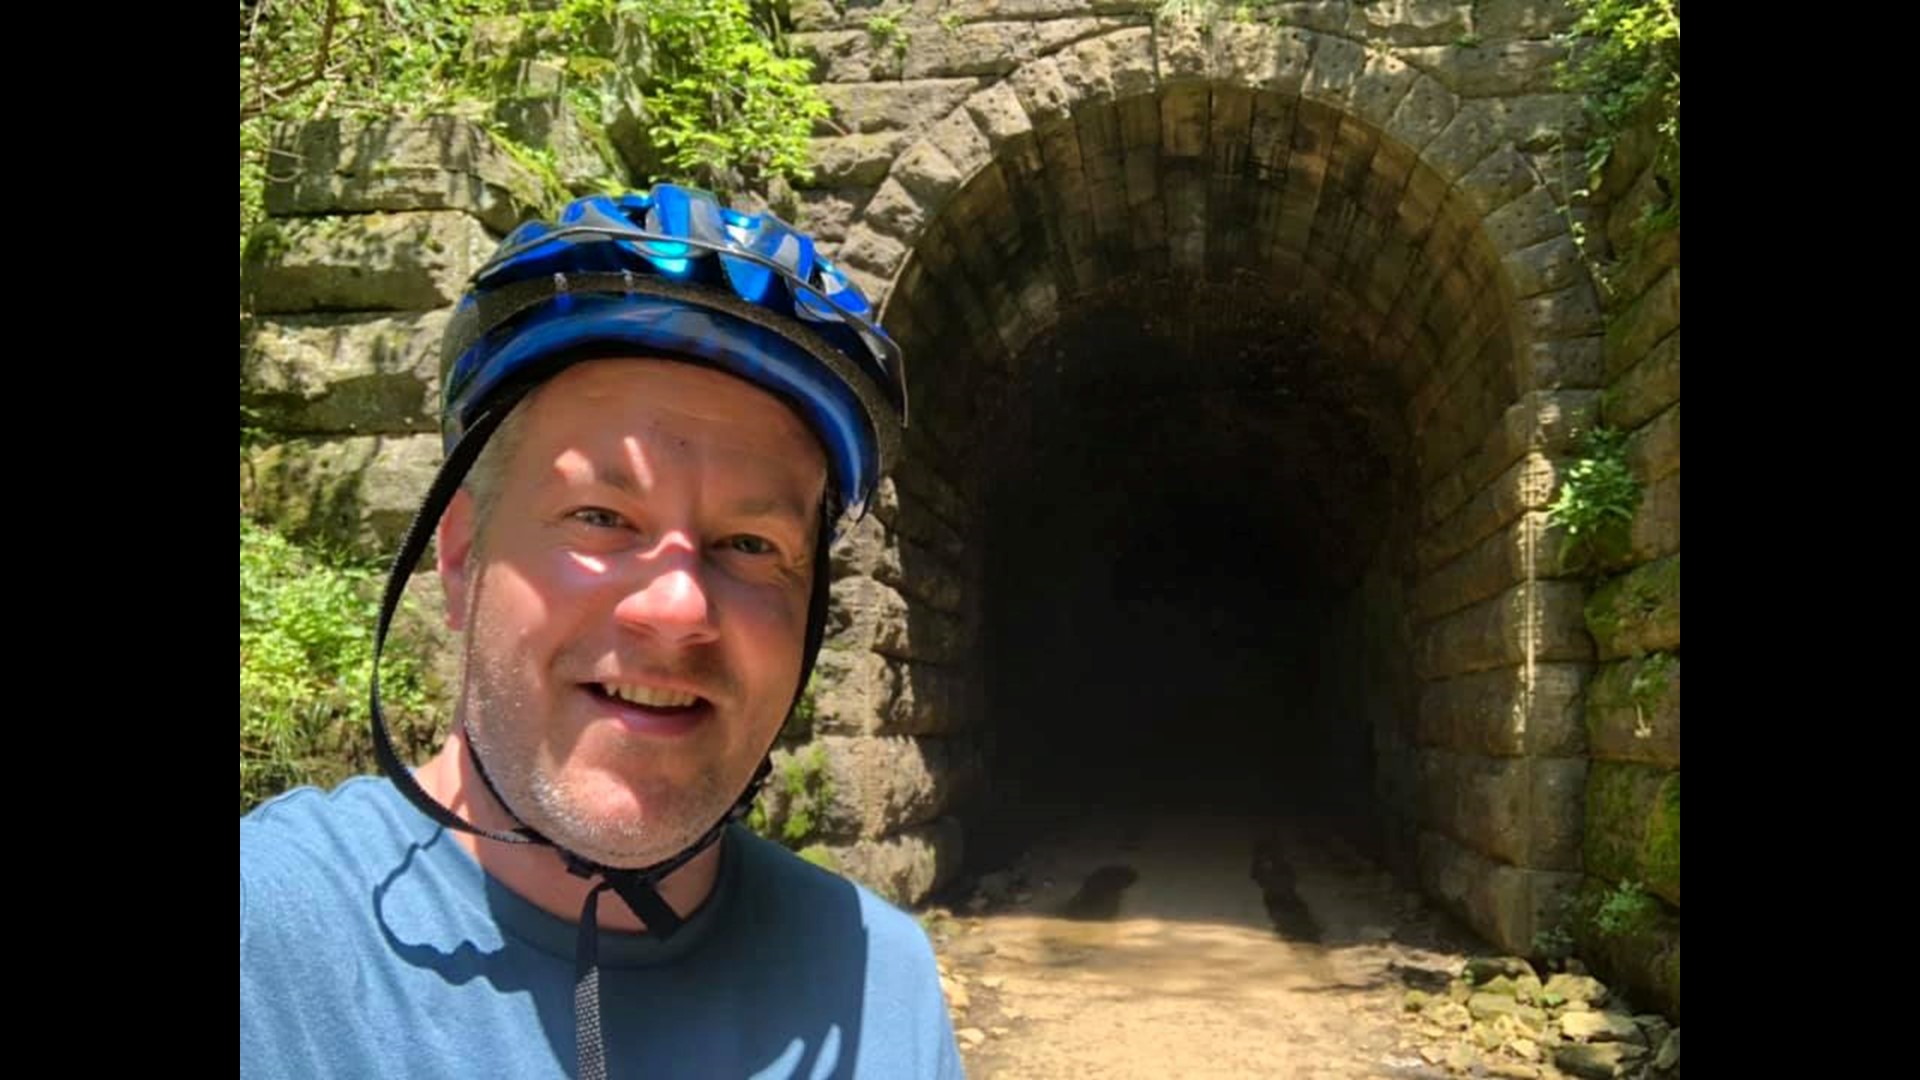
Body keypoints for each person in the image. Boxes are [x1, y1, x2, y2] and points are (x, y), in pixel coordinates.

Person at [240, 184, 964, 1079]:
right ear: (460, 557)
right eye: (600, 517)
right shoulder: (264, 949)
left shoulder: (883, 983)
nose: (678, 608)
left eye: (750, 545)